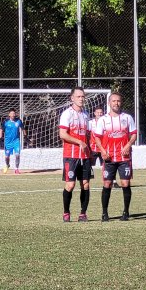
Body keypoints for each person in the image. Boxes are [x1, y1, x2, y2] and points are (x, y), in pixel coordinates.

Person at [93, 92, 136, 221]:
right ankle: (104, 213)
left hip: (124, 158)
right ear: (109, 103)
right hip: (109, 158)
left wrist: (128, 145)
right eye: (113, 101)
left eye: (118, 101)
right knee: (107, 184)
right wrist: (102, 151)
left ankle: (126, 212)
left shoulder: (127, 118)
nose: (116, 103)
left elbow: (133, 134)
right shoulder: (103, 120)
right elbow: (97, 138)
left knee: (125, 183)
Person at [59, 86, 92, 222]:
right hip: (70, 156)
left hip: (85, 156)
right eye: (78, 96)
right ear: (72, 98)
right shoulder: (67, 114)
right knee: (70, 185)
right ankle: (66, 212)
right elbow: (62, 134)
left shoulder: (86, 115)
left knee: (85, 184)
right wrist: (79, 142)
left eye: (83, 96)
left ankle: (83, 214)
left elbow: (88, 135)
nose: (81, 99)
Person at [89, 106, 117, 188]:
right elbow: (87, 135)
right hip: (93, 148)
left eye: (101, 112)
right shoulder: (90, 123)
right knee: (88, 165)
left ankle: (113, 182)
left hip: (104, 149)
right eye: (97, 112)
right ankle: (85, 182)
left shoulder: (106, 122)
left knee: (109, 165)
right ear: (94, 113)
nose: (99, 114)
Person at [0, 108, 24, 174]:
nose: (13, 114)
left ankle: (16, 169)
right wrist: (0, 138)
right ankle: (7, 165)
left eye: (14, 113)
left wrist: (26, 136)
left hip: (16, 141)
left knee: (17, 155)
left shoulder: (18, 121)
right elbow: (1, 130)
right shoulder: (5, 122)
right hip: (8, 142)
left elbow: (23, 128)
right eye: (12, 113)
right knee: (7, 157)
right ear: (9, 114)